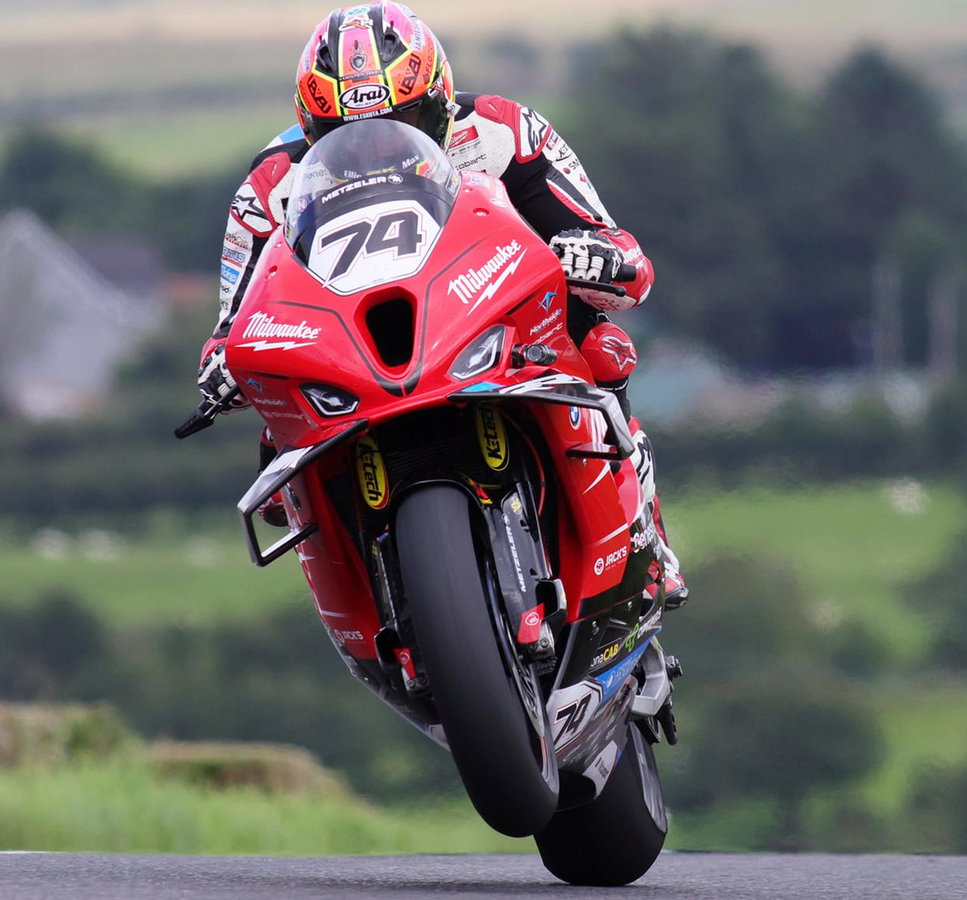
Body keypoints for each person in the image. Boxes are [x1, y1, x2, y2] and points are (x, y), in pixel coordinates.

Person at [196, 1, 684, 605]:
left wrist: (598, 256)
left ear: (441, 100)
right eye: (344, 138)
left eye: (407, 121)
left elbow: (617, 249)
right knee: (276, 454)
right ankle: (360, 597)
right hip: (350, 345)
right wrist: (222, 361)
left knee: (600, 344)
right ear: (309, 126)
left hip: (483, 315)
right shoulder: (271, 183)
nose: (376, 151)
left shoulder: (504, 129)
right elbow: (235, 315)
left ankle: (643, 533)